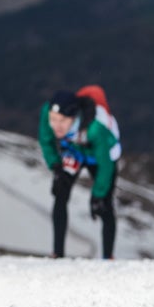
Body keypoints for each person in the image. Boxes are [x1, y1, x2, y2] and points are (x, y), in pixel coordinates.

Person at [37, 87, 121, 259]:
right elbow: (46, 141)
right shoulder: (48, 111)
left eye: (62, 121)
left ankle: (108, 257)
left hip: (100, 156)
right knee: (60, 191)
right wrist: (56, 166)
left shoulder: (96, 129)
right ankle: (57, 253)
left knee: (104, 205)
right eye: (53, 120)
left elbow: (106, 166)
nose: (56, 126)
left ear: (74, 117)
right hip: (74, 150)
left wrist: (98, 194)